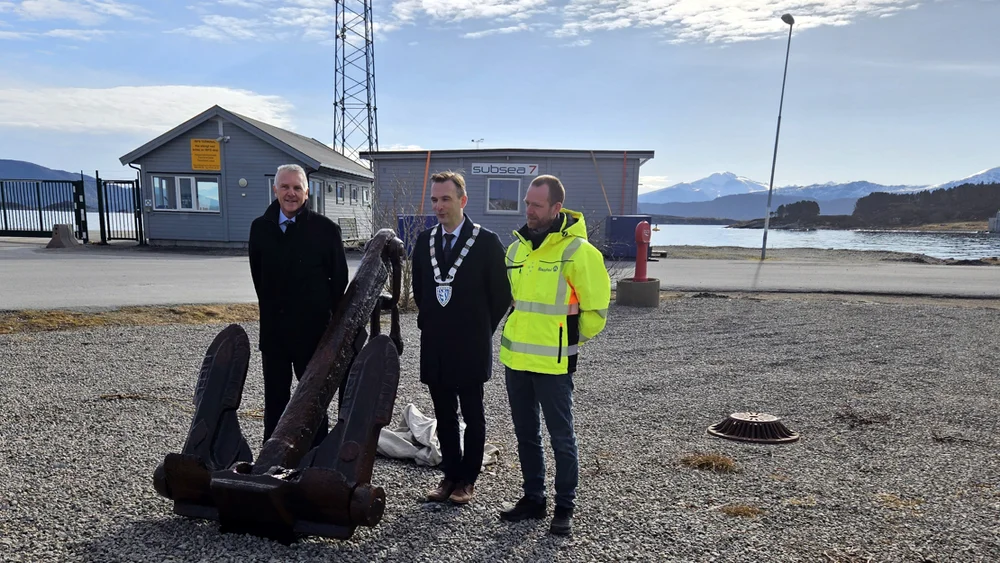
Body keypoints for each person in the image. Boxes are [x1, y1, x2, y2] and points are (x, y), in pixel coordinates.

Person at [498, 174, 611, 536]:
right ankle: (534, 499)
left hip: (554, 362)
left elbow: (596, 310)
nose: (528, 211)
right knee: (525, 434)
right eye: (527, 204)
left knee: (561, 437)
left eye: (537, 205)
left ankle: (565, 506)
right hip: (516, 360)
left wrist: (569, 338)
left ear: (557, 208)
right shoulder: (515, 249)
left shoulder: (578, 252)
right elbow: (513, 301)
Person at [411, 171, 511, 505]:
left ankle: (468, 479)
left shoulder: (486, 242)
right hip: (436, 345)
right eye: (435, 200)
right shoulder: (424, 241)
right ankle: (449, 476)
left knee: (472, 413)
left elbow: (500, 295)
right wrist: (431, 323)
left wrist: (481, 329)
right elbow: (421, 289)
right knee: (443, 413)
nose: (439, 206)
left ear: (462, 200)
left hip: (470, 344)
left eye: (446, 199)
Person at [248, 163, 349, 450]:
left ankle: (315, 457)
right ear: (275, 189)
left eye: (296, 188)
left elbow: (338, 280)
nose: (290, 193)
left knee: (313, 400)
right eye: (285, 187)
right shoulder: (261, 228)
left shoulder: (325, 230)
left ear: (306, 192)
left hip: (313, 334)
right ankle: (272, 457)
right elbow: (259, 278)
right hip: (275, 334)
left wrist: (317, 314)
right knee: (276, 399)